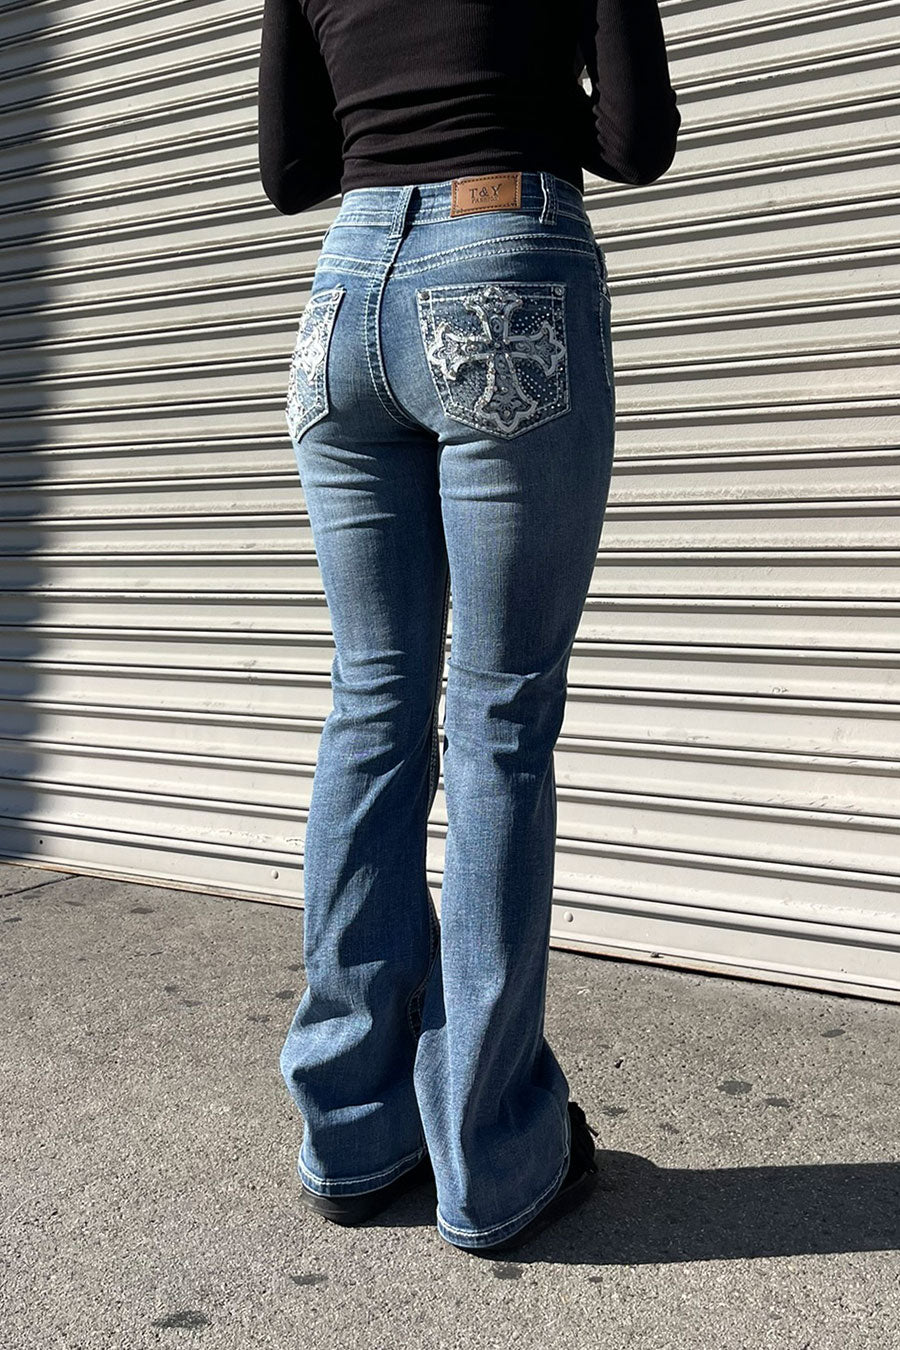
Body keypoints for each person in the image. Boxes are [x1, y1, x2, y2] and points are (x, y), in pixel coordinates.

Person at [257, 0, 680, 1256]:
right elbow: (638, 139)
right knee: (498, 717)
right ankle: (492, 1160)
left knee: (373, 708)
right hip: (505, 267)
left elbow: (288, 169)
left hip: (343, 299)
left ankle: (351, 1133)